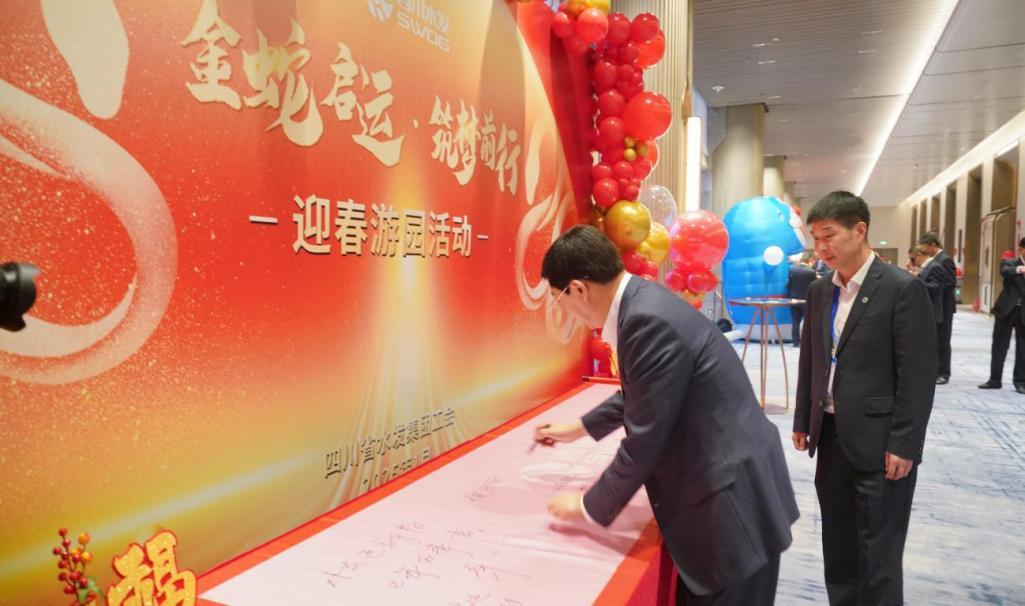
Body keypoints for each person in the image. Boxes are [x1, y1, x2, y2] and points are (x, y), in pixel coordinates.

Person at [536, 225, 799, 606]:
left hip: (731, 507)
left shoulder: (645, 320)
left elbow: (645, 439)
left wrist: (588, 506)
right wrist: (578, 428)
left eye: (558, 300)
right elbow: (649, 391)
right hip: (731, 484)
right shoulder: (643, 302)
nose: (565, 312)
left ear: (578, 289)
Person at [793, 191, 936, 605]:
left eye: (829, 236)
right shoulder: (820, 291)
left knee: (878, 554)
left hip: (881, 443)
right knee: (838, 545)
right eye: (816, 239)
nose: (822, 248)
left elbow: (917, 375)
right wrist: (803, 418)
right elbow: (812, 360)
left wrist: (905, 442)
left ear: (860, 230)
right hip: (831, 435)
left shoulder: (901, 288)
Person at [979, 237, 1025, 394]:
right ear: (1021, 249)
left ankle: (1020, 382)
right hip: (1006, 311)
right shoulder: (1010, 263)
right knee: (999, 346)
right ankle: (994, 380)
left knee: (1023, 349)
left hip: (1023, 313)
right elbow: (1004, 271)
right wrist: (1020, 269)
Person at [917, 234, 956, 384]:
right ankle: (936, 370)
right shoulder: (935, 260)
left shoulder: (945, 260)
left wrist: (935, 288)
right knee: (936, 340)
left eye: (925, 247)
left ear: (933, 245)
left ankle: (944, 373)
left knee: (943, 340)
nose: (924, 251)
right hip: (936, 305)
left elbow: (950, 283)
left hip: (944, 306)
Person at [914, 244, 945, 347]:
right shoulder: (929, 266)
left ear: (919, 255)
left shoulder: (934, 266)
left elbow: (935, 287)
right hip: (927, 310)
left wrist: (917, 281)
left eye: (914, 258)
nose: (914, 261)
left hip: (932, 311)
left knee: (932, 345)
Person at [788, 255, 817, 346]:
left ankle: (796, 342)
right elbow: (814, 286)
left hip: (794, 299)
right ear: (808, 261)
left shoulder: (792, 270)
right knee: (807, 322)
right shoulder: (811, 272)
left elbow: (789, 284)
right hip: (806, 300)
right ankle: (806, 342)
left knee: (795, 321)